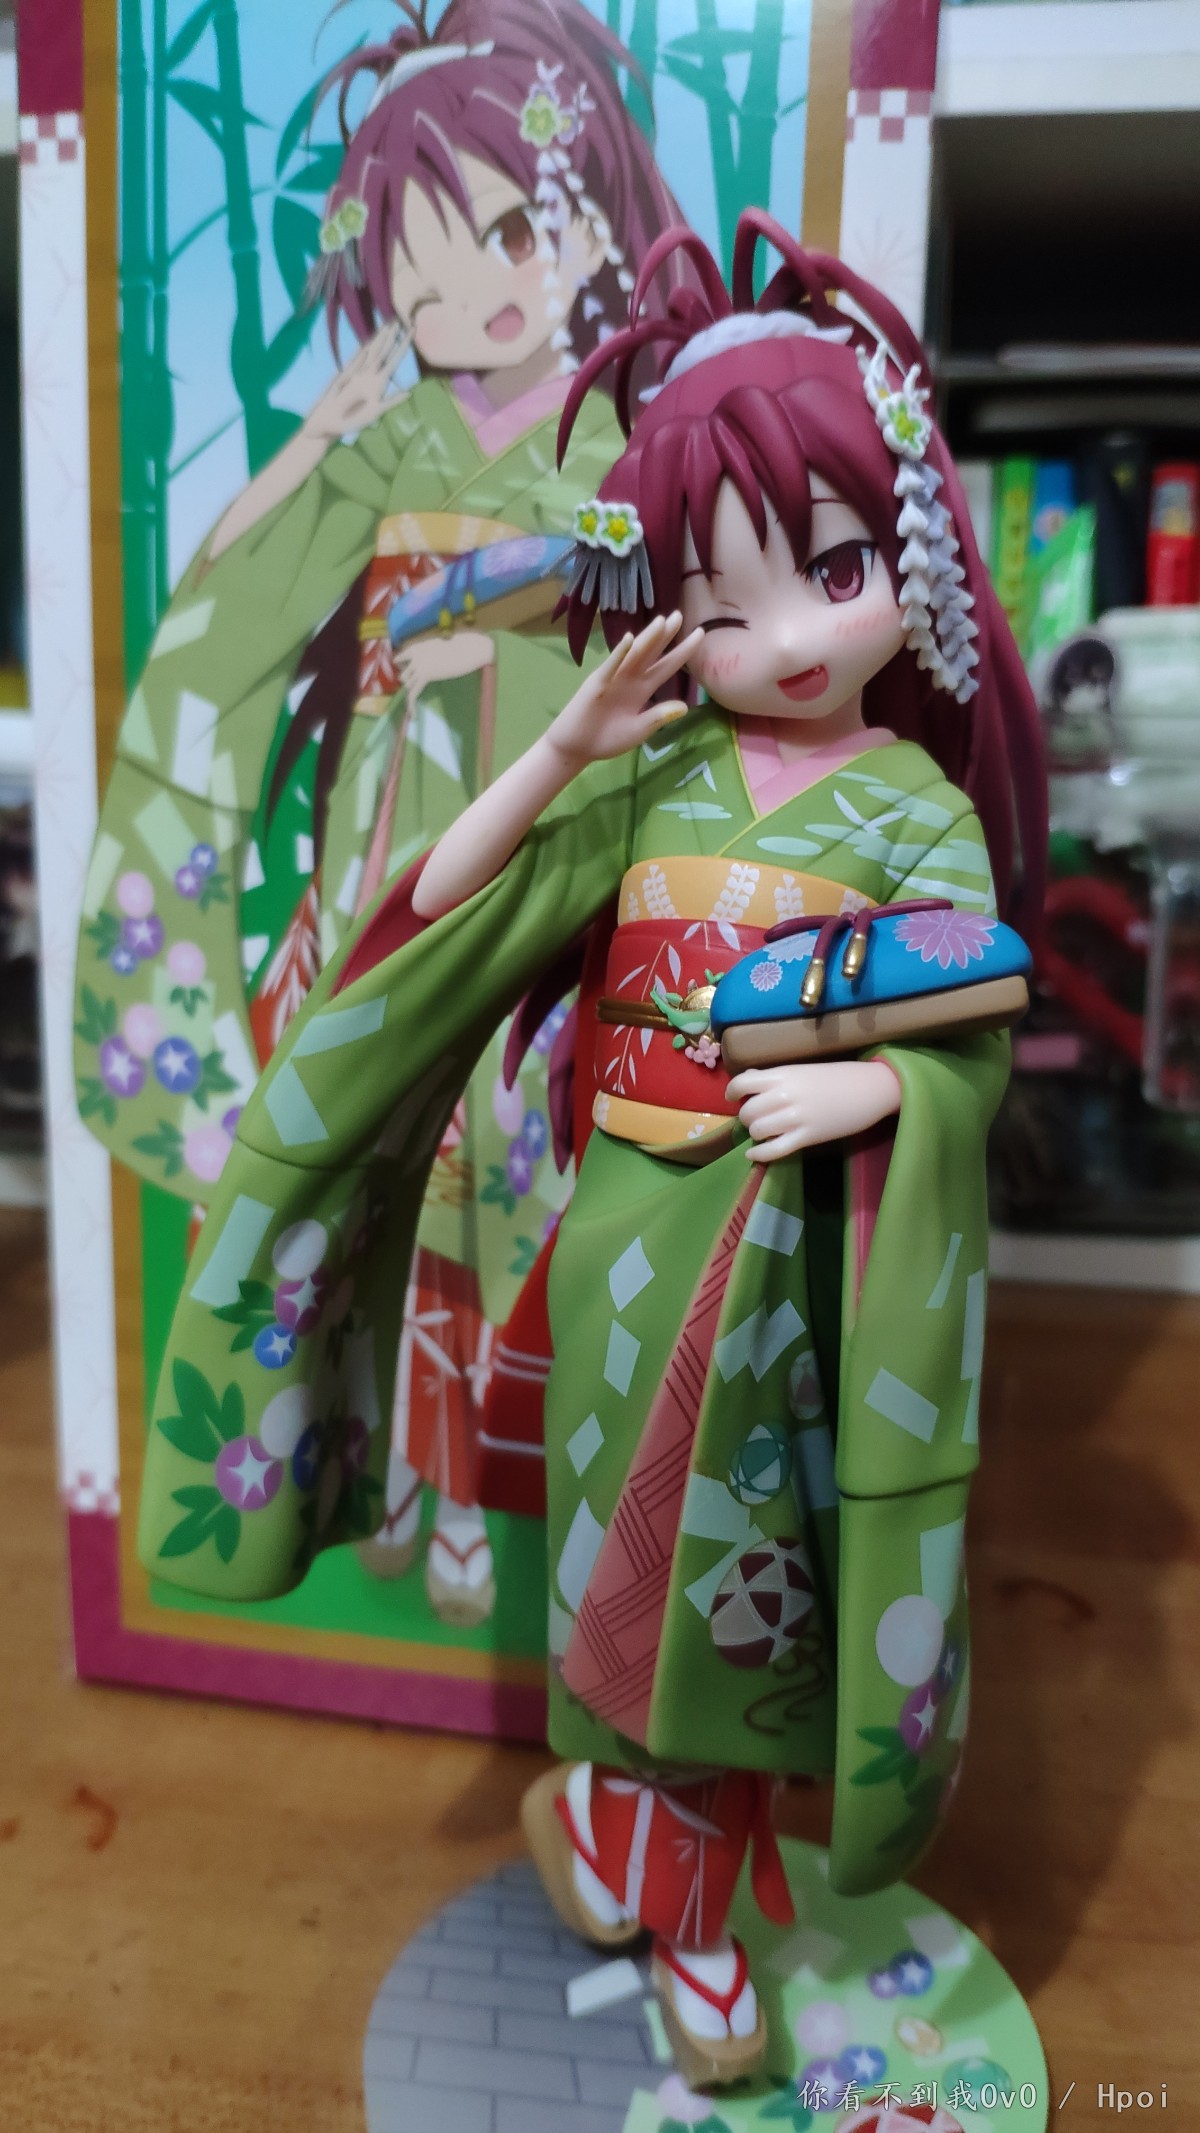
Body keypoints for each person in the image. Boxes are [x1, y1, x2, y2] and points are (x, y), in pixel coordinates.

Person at [136, 210, 1047, 2087]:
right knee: (629, 1608)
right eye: (725, 603)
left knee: (759, 1606)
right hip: (631, 1246)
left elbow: (974, 1025)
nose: (786, 639)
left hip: (805, 1274)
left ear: (911, 561)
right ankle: (675, 1902)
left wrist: (887, 1094)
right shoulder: (654, 775)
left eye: (836, 570)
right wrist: (559, 748)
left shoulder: (912, 807)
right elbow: (442, 910)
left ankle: (653, 1862)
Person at [73, 0, 693, 1625]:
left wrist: (514, 660)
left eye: (501, 236)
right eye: (415, 268)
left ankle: (495, 1495)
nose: (459, 293)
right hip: (386, 872)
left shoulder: (626, 446)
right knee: (371, 1174)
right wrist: (306, 456)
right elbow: (231, 618)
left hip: (550, 875)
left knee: (520, 1169)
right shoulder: (390, 440)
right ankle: (385, 1472)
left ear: (587, 229)